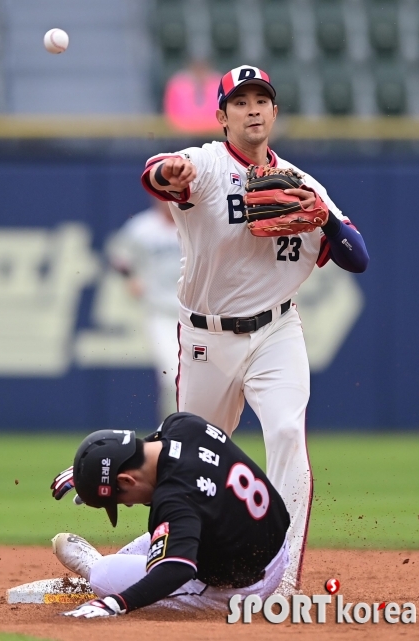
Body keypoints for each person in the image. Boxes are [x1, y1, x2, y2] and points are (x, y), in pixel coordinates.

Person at [140, 64, 369, 595]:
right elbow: (158, 171)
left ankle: (282, 582)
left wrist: (325, 218)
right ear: (221, 116)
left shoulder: (303, 183)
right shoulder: (207, 165)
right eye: (240, 102)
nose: (253, 109)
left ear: (274, 111)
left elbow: (358, 258)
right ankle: (162, 564)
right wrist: (168, 171)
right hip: (206, 338)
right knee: (183, 457)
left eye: (261, 100)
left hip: (276, 331)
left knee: (288, 434)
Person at [50, 412, 290, 617]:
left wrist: (114, 603)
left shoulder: (175, 499)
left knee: (104, 576)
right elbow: (143, 446)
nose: (128, 505)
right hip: (266, 541)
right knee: (133, 555)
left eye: (119, 498)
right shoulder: (182, 424)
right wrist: (96, 469)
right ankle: (115, 570)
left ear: (127, 480)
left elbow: (176, 570)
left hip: (240, 588)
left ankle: (94, 569)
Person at [106, 199, 181, 419]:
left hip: (197, 314)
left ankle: (195, 431)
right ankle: (173, 431)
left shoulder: (194, 223)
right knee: (173, 375)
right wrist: (130, 278)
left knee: (201, 378)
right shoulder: (142, 227)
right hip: (161, 314)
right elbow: (118, 257)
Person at [163, 59, 222, 133]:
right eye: (196, 67)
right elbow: (171, 118)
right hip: (181, 136)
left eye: (202, 67)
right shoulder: (177, 84)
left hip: (214, 135)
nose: (199, 71)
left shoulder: (218, 83)